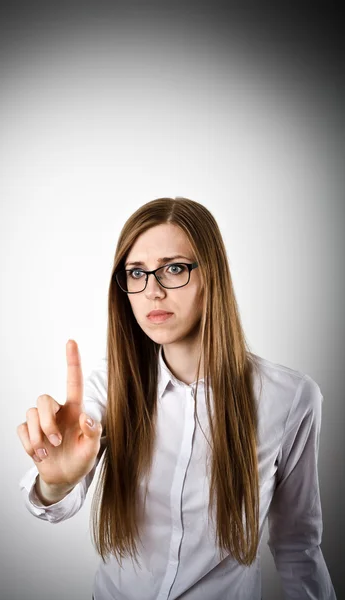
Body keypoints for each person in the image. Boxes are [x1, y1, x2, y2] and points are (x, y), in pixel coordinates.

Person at [17, 197, 337, 600]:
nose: (152, 291)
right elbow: (54, 502)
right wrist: (55, 481)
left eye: (173, 269)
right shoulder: (112, 385)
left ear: (212, 275)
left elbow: (297, 547)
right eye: (136, 273)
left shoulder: (290, 399)